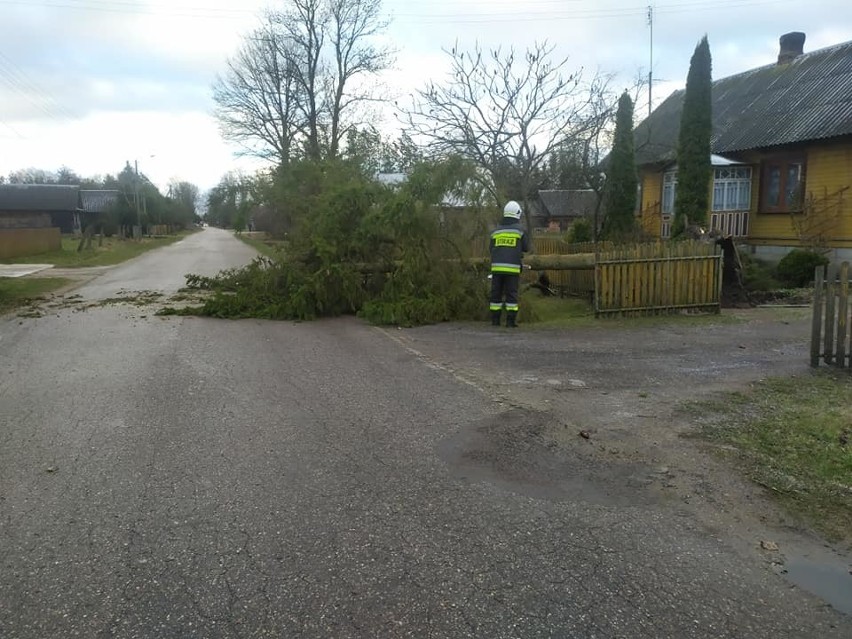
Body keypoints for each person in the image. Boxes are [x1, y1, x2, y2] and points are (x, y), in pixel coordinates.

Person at [489, 200, 531, 327]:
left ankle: (495, 321)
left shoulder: (495, 231)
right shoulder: (520, 231)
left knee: (495, 294)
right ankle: (510, 322)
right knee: (511, 295)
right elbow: (526, 248)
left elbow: (491, 249)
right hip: (512, 270)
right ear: (518, 214)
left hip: (496, 269)